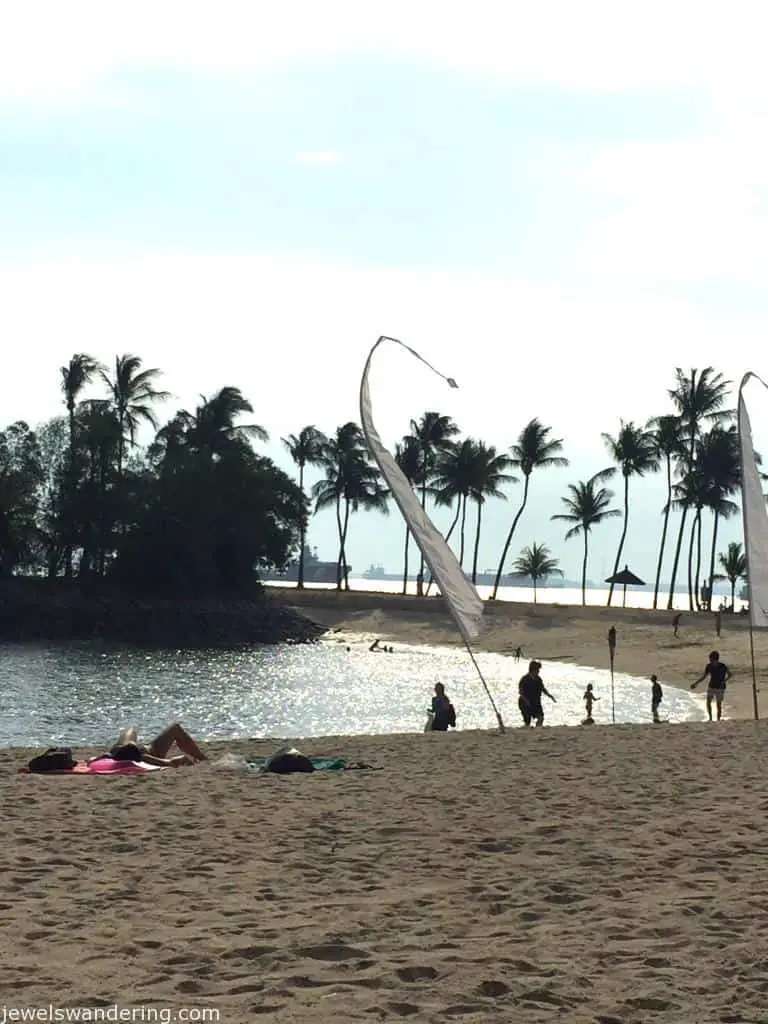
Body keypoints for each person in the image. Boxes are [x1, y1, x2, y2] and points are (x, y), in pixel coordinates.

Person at [106, 723, 208, 767]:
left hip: (126, 750)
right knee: (175, 728)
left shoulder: (114, 752)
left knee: (130, 729)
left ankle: (200, 756)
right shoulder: (145, 758)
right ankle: (201, 758)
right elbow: (172, 762)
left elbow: (98, 759)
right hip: (153, 750)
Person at [691, 650, 731, 721]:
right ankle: (710, 718)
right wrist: (696, 683)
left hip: (720, 688)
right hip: (711, 686)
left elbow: (730, 675)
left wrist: (724, 681)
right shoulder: (709, 666)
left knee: (719, 705)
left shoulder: (723, 666)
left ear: (715, 659)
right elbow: (704, 677)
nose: (710, 660)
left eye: (711, 659)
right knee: (708, 702)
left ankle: (718, 719)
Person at [518, 660, 556, 727]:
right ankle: (529, 731)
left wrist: (549, 695)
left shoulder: (538, 679)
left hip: (536, 702)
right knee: (527, 722)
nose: (538, 671)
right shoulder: (524, 679)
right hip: (525, 703)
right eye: (537, 670)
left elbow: (542, 688)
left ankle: (537, 730)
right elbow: (521, 692)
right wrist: (526, 701)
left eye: (538, 670)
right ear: (532, 670)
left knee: (541, 718)